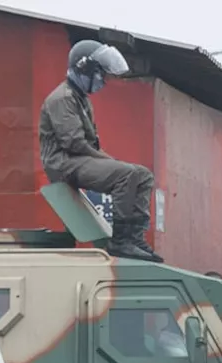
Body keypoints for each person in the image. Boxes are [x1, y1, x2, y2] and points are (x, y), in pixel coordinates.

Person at [40, 40, 162, 263]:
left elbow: (90, 146)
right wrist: (110, 161)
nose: (103, 81)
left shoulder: (81, 99)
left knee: (143, 175)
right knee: (126, 174)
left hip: (78, 158)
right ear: (84, 68)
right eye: (100, 74)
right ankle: (121, 241)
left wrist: (109, 160)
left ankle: (134, 238)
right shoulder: (62, 98)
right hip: (64, 163)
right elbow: (74, 144)